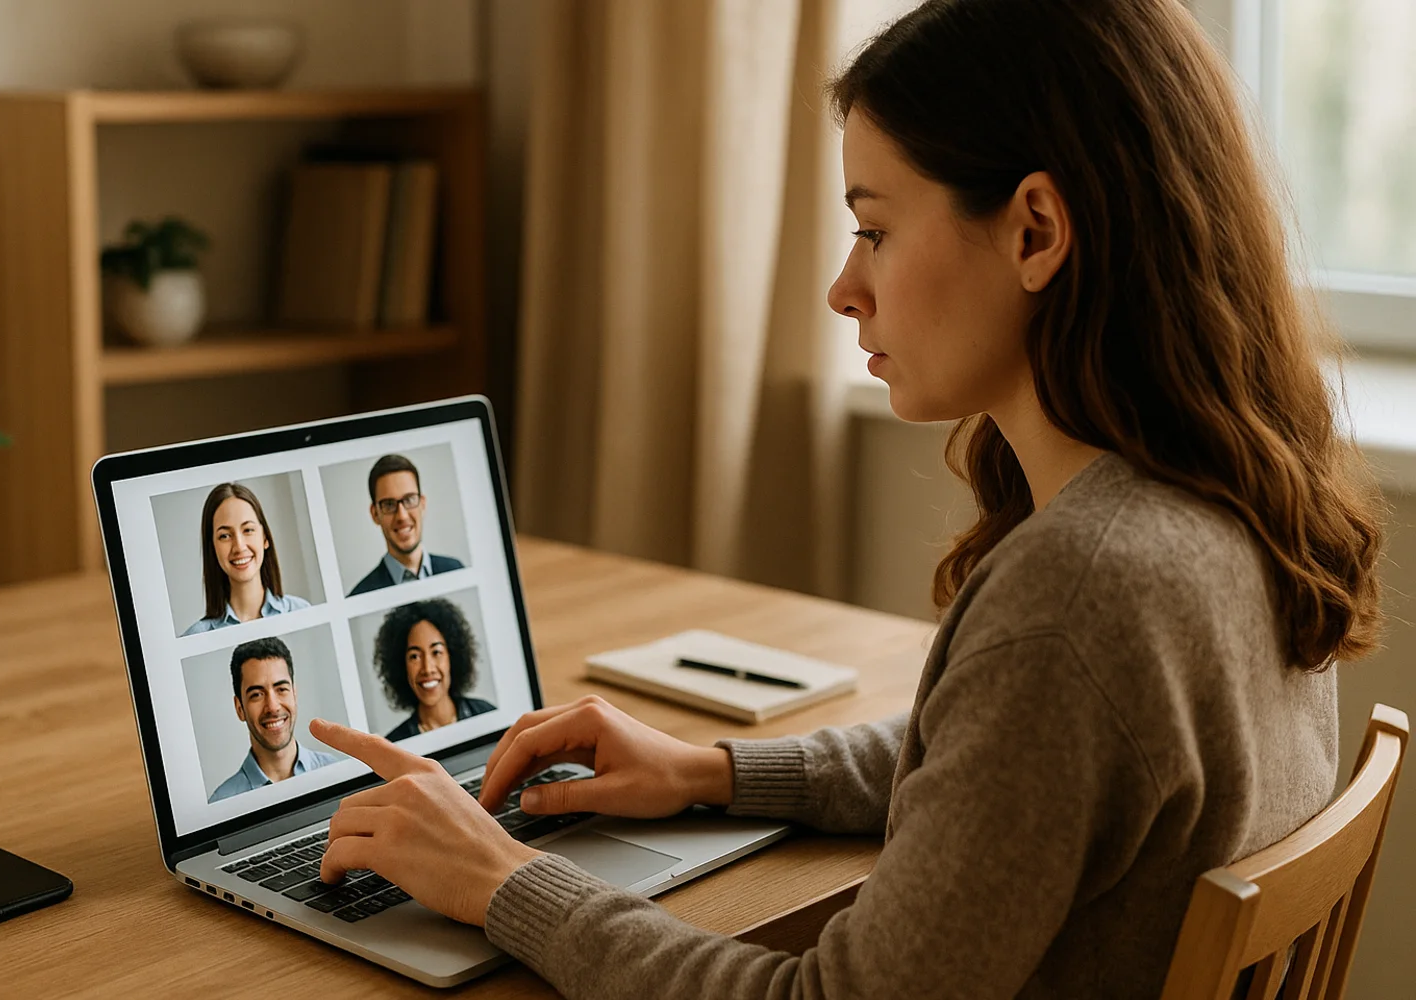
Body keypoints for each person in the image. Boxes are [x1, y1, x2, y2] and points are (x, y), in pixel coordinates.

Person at [300, 1, 1387, 997]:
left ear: (1035, 231)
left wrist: (502, 879)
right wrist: (712, 770)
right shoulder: (1221, 506)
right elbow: (1000, 774)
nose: (841, 286)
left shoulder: (1080, 598)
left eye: (873, 227)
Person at [208, 637, 337, 803]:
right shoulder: (221, 803)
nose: (273, 707)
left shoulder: (334, 770)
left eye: (281, 689)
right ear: (239, 708)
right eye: (257, 695)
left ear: (294, 695)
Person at [181, 483, 312, 637]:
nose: (239, 546)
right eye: (225, 536)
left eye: (248, 530)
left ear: (265, 538)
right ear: (213, 548)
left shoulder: (302, 613)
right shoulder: (196, 637)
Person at [371, 598, 497, 741]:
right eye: (415, 656)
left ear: (452, 657)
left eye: (436, 652)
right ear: (401, 666)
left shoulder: (487, 715)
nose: (427, 668)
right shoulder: (395, 746)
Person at [347, 454, 465, 596]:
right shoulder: (360, 598)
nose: (402, 516)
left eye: (409, 500)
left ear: (422, 504)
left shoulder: (457, 572)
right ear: (375, 514)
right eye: (389, 504)